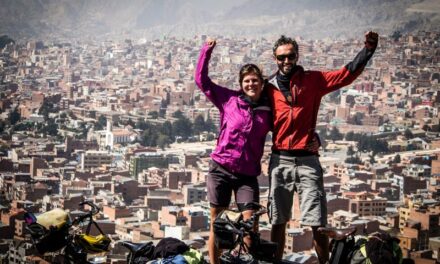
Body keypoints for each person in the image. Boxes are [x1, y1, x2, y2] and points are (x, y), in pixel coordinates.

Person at [265, 31, 379, 264]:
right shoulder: (268, 88)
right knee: (278, 219)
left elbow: (344, 76)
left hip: (308, 159)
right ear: (274, 59)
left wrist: (368, 50)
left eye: (290, 56)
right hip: (280, 160)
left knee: (317, 220)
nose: (286, 61)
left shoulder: (313, 80)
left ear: (297, 56)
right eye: (281, 58)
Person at [194, 38, 272, 264]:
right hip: (220, 169)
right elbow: (202, 81)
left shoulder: (268, 110)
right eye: (247, 81)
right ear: (241, 83)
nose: (251, 84)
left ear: (261, 83)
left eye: (255, 80)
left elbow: (287, 126)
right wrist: (206, 51)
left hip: (247, 176)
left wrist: (312, 138)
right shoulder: (229, 100)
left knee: (250, 224)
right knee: (216, 223)